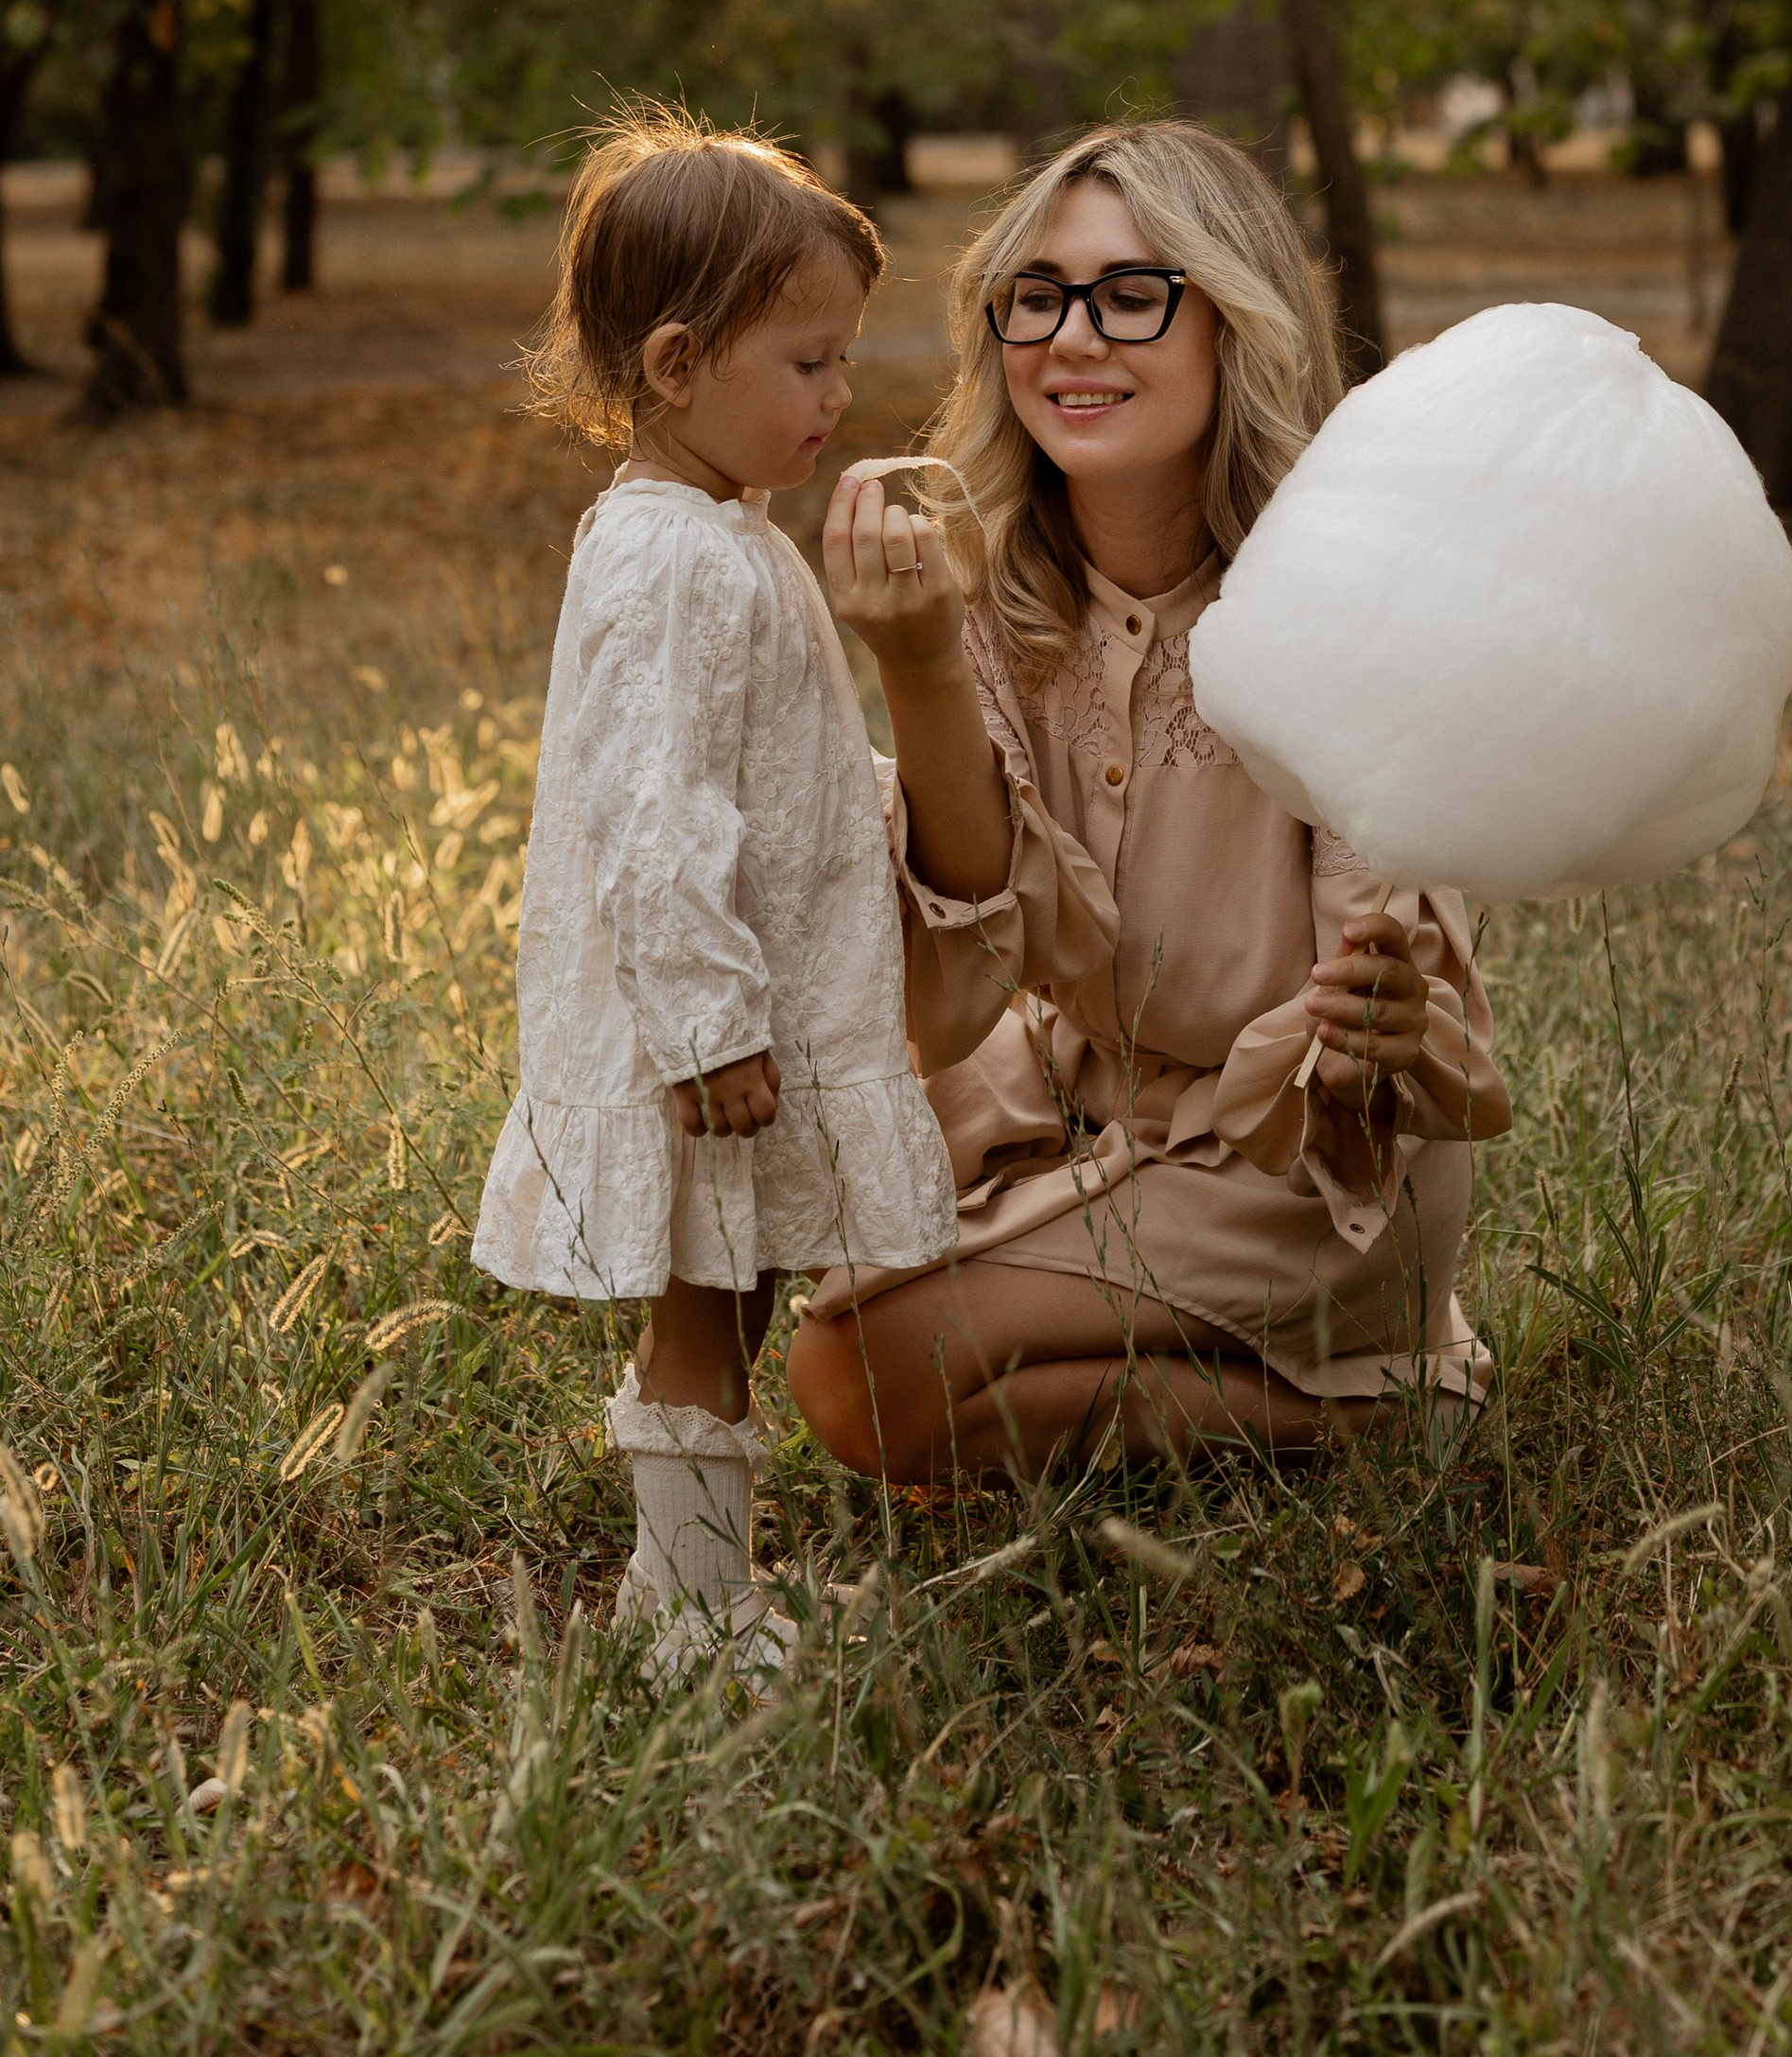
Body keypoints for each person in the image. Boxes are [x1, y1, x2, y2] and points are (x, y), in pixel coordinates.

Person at [792, 118, 1510, 1483]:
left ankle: (1384, 1406)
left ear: (1231, 322)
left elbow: (1373, 1019)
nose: (1073, 337)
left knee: (860, 1378)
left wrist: (1381, 1016)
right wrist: (921, 667)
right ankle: (1236, 1384)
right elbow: (966, 976)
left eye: (1133, 295)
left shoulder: (1345, 601)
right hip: (1078, 1101)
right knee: (792, 1225)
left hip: (1294, 1169)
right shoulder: (990, 588)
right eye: (1036, 296)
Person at [473, 102, 957, 1672]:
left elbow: (763, 767)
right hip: (707, 1031)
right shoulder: (667, 560)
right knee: (701, 1307)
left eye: (842, 358)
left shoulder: (724, 532)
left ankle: (704, 1583)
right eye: (806, 365)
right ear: (678, 366)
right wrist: (703, 1029)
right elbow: (650, 814)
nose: (841, 394)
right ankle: (686, 1612)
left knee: (734, 1292)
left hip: (745, 1003)